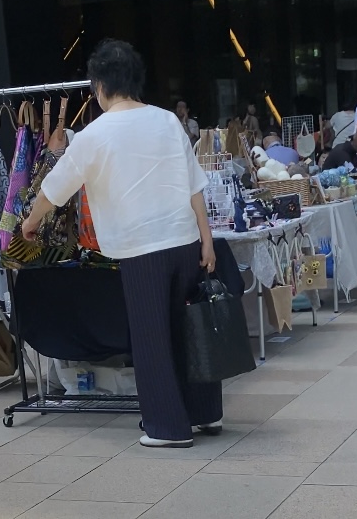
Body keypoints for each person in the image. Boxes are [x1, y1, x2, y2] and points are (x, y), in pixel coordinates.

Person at [21, 39, 222, 449]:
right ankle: (204, 413)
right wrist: (208, 241)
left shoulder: (94, 135)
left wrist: (30, 221)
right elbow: (194, 185)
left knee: (152, 336)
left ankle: (167, 427)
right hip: (184, 240)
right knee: (189, 329)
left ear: (99, 86)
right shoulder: (168, 121)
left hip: (140, 249)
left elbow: (54, 189)